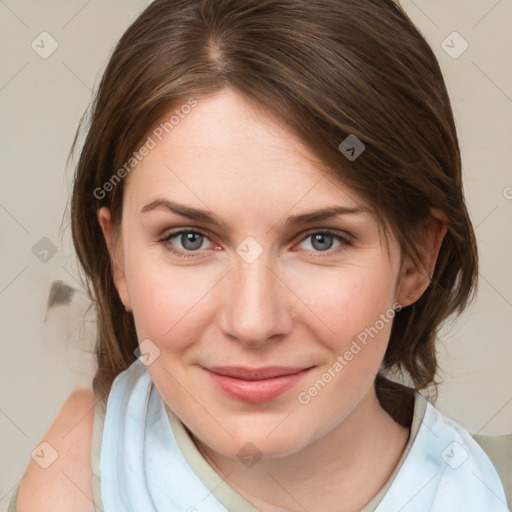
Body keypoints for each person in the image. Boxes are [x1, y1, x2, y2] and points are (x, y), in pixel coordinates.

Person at [11, 0, 511, 510]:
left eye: (322, 239)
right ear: (117, 256)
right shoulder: (65, 479)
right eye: (189, 238)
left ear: (416, 259)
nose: (252, 323)